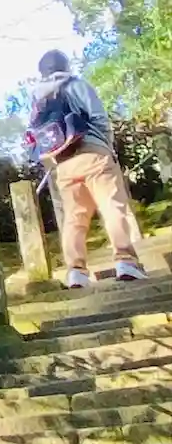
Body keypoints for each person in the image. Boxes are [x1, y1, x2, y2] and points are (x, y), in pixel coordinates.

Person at [27, 50, 148, 288]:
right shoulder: (76, 84)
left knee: (74, 218)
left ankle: (76, 272)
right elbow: (99, 118)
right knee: (112, 206)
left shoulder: (36, 97)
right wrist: (107, 147)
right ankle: (126, 262)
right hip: (93, 153)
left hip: (63, 162)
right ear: (65, 66)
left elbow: (36, 135)